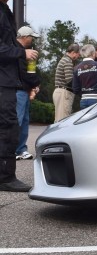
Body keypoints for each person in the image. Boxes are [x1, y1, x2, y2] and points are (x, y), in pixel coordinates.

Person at [0, 0, 37, 192]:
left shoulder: (5, 11)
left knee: (8, 127)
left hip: (7, 79)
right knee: (8, 127)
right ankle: (5, 178)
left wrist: (31, 81)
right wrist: (22, 53)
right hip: (2, 82)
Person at [15, 26, 40, 161]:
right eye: (31, 37)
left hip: (24, 90)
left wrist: (33, 86)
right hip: (16, 90)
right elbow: (23, 73)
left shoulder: (26, 52)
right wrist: (35, 83)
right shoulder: (17, 51)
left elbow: (30, 73)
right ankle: (11, 150)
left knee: (24, 121)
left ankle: (20, 149)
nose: (32, 40)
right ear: (25, 37)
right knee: (16, 121)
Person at [53, 43, 80, 122]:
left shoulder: (64, 59)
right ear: (73, 53)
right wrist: (79, 89)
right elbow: (70, 81)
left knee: (59, 119)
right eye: (78, 54)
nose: (78, 57)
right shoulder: (68, 61)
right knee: (62, 121)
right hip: (64, 93)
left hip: (60, 92)